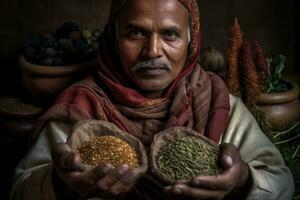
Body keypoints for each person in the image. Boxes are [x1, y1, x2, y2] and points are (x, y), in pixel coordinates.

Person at [10, 0, 294, 199]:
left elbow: (281, 182)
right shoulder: (81, 107)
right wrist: (61, 184)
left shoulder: (218, 104)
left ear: (191, 40)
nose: (152, 50)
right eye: (135, 33)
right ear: (113, 39)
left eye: (170, 34)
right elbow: (20, 189)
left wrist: (242, 181)